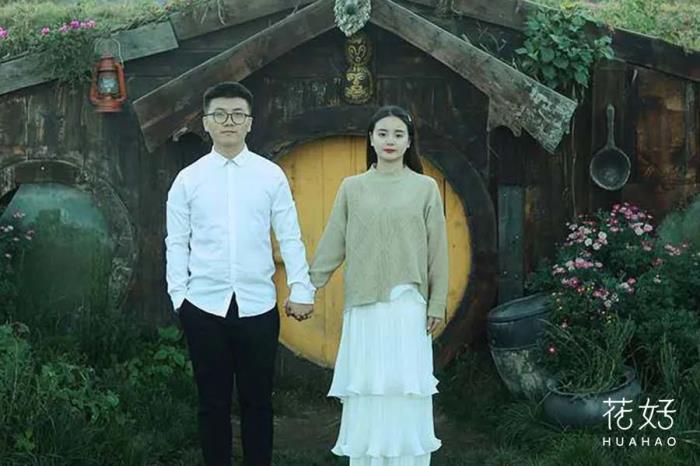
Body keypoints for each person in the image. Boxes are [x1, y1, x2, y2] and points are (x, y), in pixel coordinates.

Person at [165, 81, 314, 466]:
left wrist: (302, 288)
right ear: (206, 122)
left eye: (236, 114)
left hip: (257, 307)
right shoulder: (188, 180)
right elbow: (176, 242)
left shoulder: (270, 176)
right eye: (219, 114)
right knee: (212, 403)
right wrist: (179, 298)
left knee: (258, 402)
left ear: (249, 122)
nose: (228, 121)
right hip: (203, 307)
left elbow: (290, 237)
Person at [309, 105, 448, 466]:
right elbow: (333, 241)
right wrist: (308, 287)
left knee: (403, 388)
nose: (390, 141)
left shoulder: (425, 188)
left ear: (409, 142)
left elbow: (438, 250)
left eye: (398, 134)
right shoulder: (352, 188)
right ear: (370, 139)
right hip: (364, 305)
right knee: (369, 387)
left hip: (408, 304)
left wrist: (437, 303)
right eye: (382, 133)